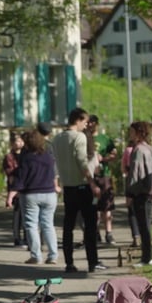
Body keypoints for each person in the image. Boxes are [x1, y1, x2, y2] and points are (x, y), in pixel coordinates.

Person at [51, 108, 106, 273]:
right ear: (78, 119)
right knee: (89, 225)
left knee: (68, 225)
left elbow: (55, 162)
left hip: (68, 187)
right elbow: (82, 162)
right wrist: (92, 183)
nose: (86, 125)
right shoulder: (79, 137)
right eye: (85, 121)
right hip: (82, 186)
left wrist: (57, 180)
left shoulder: (57, 139)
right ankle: (92, 261)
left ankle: (69, 262)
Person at [7, 130, 59, 265]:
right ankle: (53, 255)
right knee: (48, 225)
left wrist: (11, 194)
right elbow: (54, 174)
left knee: (31, 225)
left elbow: (20, 178)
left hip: (31, 194)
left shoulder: (26, 158)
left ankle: (36, 255)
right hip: (49, 194)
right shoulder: (48, 157)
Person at [125, 121, 152, 268]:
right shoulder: (149, 149)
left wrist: (129, 194)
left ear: (139, 133)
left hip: (140, 192)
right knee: (146, 224)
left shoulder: (138, 150)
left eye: (132, 132)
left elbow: (135, 173)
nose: (130, 134)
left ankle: (147, 257)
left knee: (143, 225)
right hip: (149, 191)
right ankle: (147, 256)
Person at [89, 115, 117, 246]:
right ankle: (95, 233)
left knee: (106, 205)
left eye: (92, 123)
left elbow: (114, 154)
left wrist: (104, 158)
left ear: (97, 124)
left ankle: (109, 233)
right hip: (89, 175)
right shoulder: (83, 138)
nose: (90, 125)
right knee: (92, 206)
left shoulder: (105, 139)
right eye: (88, 123)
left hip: (104, 174)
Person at [2, 132, 26, 247]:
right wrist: (13, 189)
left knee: (27, 213)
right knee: (18, 213)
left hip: (26, 186)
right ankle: (17, 237)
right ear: (12, 143)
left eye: (22, 141)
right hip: (16, 186)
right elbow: (10, 174)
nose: (20, 143)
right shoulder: (9, 157)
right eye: (18, 141)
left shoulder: (26, 155)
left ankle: (27, 237)